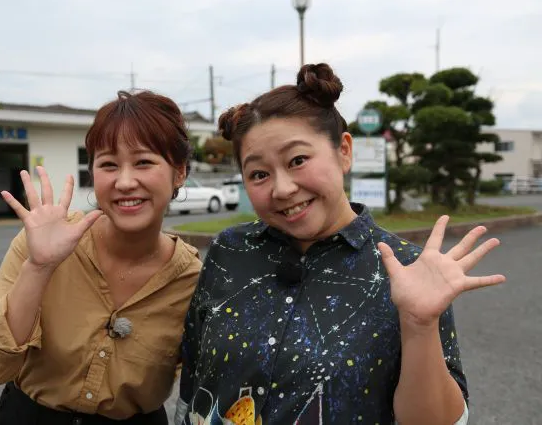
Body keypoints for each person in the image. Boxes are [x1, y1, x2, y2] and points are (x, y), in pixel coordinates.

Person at [176, 63, 505, 425]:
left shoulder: (408, 268)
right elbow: (194, 382)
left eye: (298, 160)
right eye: (259, 174)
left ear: (343, 151)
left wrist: (420, 325)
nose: (282, 188)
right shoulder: (229, 250)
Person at [0, 90, 202, 424]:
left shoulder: (193, 279)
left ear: (179, 173)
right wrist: (39, 267)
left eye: (144, 162)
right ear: (93, 174)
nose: (125, 181)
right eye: (108, 164)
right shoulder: (43, 242)